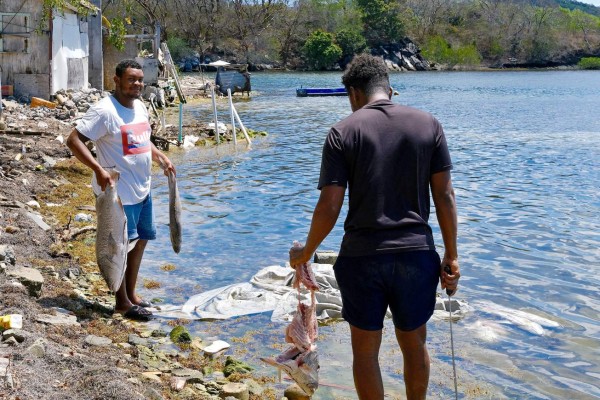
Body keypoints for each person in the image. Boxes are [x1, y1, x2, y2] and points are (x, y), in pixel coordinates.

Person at [289, 54, 460, 400]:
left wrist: (305, 253)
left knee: (365, 352)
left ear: (354, 93)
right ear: (390, 89)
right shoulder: (429, 124)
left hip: (363, 258)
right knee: (415, 345)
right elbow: (444, 196)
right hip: (416, 255)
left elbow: (330, 205)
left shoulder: (342, 131)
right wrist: (452, 256)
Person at [67, 59, 175, 321]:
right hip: (117, 193)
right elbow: (73, 140)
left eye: (140, 79)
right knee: (121, 246)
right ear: (116, 80)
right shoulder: (104, 111)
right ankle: (122, 303)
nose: (137, 84)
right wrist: (97, 169)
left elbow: (141, 139)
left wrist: (159, 156)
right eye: (131, 79)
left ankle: (132, 293)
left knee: (141, 240)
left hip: (142, 187)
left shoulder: (139, 106)